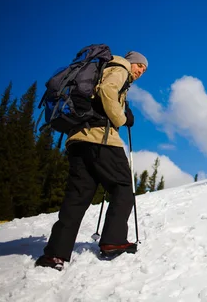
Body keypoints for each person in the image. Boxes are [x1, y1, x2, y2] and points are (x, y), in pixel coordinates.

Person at [35, 51, 148, 271]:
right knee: (122, 187)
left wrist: (122, 109)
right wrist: (122, 118)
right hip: (101, 140)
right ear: (132, 62)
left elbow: (101, 92)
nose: (140, 72)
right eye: (139, 67)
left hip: (78, 139)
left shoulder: (103, 69)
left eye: (143, 70)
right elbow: (107, 90)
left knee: (76, 198)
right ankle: (113, 241)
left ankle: (55, 255)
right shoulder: (120, 67)